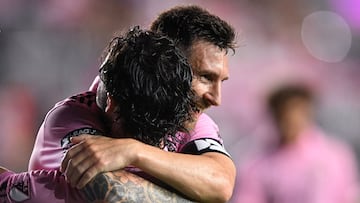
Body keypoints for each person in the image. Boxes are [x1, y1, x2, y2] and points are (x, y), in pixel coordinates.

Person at [60, 5, 237, 203]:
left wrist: (133, 151)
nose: (216, 99)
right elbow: (113, 194)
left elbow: (221, 184)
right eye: (205, 77)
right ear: (165, 61)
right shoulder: (74, 115)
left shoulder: (190, 118)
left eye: (221, 81)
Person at [0, 27, 196, 203]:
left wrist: (134, 151)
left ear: (111, 102)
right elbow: (108, 191)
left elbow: (221, 180)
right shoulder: (71, 119)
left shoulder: (190, 118)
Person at [233, 84, 360, 203]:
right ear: (274, 116)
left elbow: (349, 196)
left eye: (297, 112)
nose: (291, 120)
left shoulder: (337, 155)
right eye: (285, 114)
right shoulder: (257, 164)